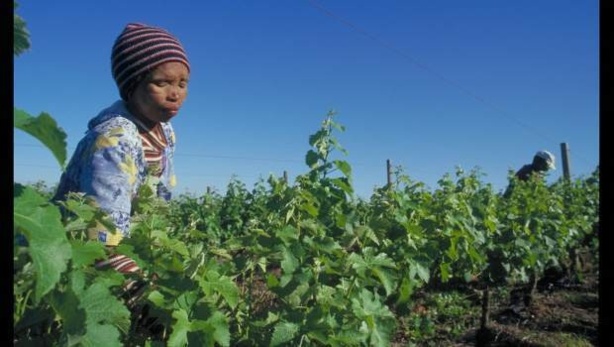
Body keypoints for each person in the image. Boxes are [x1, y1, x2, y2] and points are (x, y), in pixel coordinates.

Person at [52, 22, 190, 307]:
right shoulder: (114, 140)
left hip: (127, 242)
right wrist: (145, 298)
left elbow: (155, 204)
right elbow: (99, 239)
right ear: (131, 86)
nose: (175, 94)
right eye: (161, 83)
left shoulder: (164, 131)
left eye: (182, 83)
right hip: (71, 250)